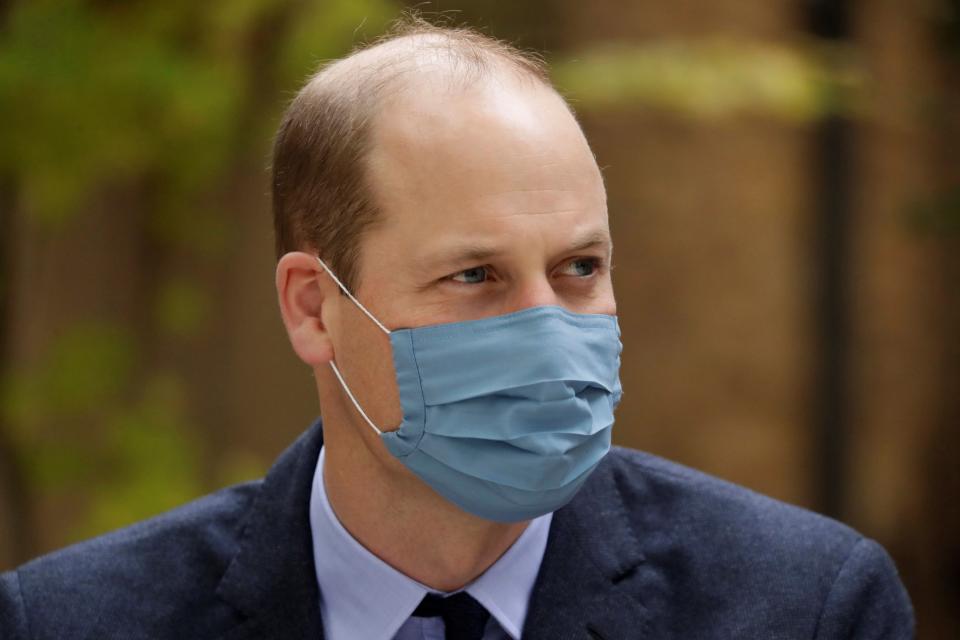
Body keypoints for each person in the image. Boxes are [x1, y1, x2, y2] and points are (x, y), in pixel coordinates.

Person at [0, 17, 913, 640]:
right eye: (474, 276)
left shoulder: (805, 606)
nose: (550, 331)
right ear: (313, 308)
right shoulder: (70, 620)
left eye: (578, 269)